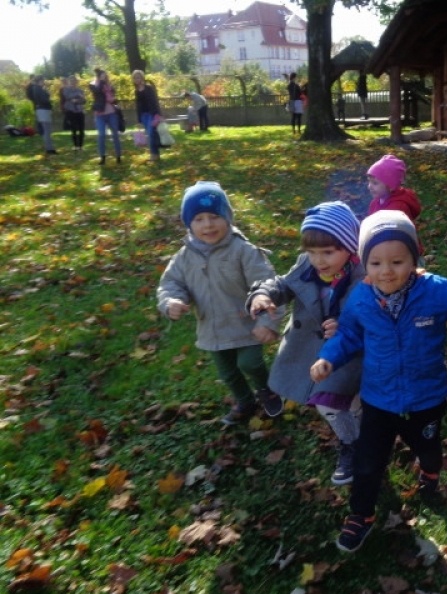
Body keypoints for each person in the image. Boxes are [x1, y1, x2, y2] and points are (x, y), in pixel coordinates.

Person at [310, 210, 447, 553]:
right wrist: (328, 358)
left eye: (397, 261)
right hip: (379, 399)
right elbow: (349, 334)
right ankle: (360, 514)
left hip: (427, 396)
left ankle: (430, 473)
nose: (386, 271)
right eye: (376, 263)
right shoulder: (362, 299)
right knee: (368, 461)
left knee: (428, 448)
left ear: (414, 259)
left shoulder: (434, 291)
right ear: (365, 265)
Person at [246, 201, 364, 485]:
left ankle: (359, 437)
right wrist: (264, 294)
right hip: (310, 350)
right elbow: (282, 284)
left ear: (349, 246)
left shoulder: (363, 275)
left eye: (327, 252)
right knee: (329, 404)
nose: (318, 260)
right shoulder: (305, 266)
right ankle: (352, 440)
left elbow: (374, 310)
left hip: (350, 352)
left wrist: (346, 325)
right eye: (311, 252)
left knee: (348, 399)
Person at [156, 181, 285, 425]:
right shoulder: (184, 257)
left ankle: (267, 390)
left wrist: (268, 321)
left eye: (214, 216)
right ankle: (245, 401)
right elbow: (171, 284)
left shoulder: (242, 250)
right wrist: (171, 301)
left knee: (249, 362)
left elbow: (268, 285)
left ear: (227, 217)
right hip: (212, 327)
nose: (207, 225)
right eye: (199, 219)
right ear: (189, 224)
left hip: (247, 324)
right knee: (228, 372)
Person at [89, 69, 122, 165]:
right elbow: (98, 92)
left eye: (105, 76)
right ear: (98, 76)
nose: (105, 77)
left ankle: (118, 156)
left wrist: (114, 100)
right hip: (100, 114)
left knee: (115, 134)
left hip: (111, 113)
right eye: (102, 76)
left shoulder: (109, 85)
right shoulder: (93, 84)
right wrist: (101, 82)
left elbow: (112, 97)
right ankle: (102, 157)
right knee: (101, 135)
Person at [132, 70, 162, 162]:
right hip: (143, 115)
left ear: (142, 78)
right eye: (135, 78)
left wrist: (158, 114)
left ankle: (153, 155)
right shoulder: (136, 91)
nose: (137, 79)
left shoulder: (148, 88)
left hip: (151, 114)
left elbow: (155, 101)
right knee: (150, 134)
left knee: (151, 133)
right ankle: (156, 154)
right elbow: (138, 106)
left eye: (138, 77)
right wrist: (139, 120)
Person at [30, 75, 57, 156]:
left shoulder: (39, 89)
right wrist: (47, 95)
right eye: (43, 80)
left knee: (48, 130)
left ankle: (50, 148)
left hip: (44, 110)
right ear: (39, 81)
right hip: (42, 110)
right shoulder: (37, 89)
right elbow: (43, 100)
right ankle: (49, 149)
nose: (44, 82)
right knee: (46, 130)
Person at [62, 75, 86, 152]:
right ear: (69, 82)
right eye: (71, 81)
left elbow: (84, 101)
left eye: (74, 81)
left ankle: (81, 146)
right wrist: (77, 96)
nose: (73, 83)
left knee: (81, 129)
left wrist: (77, 100)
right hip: (71, 111)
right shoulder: (66, 90)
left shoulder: (80, 90)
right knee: (74, 129)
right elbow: (67, 96)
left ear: (76, 82)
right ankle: (75, 146)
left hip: (79, 111)